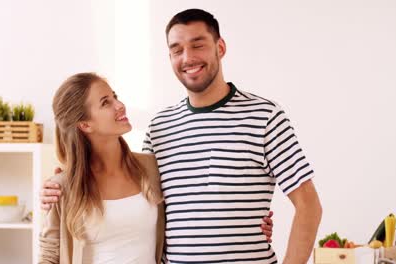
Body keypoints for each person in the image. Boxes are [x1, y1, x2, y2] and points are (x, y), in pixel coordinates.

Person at [43, 8, 322, 263]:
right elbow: (148, 208)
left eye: (197, 45)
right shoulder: (160, 128)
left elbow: (308, 206)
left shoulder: (265, 117)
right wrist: (63, 184)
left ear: (220, 48)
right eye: (177, 50)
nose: (187, 58)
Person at [39, 73, 165, 264]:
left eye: (115, 96)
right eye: (106, 103)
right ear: (85, 124)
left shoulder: (151, 168)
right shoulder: (63, 187)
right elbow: (50, 255)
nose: (119, 105)